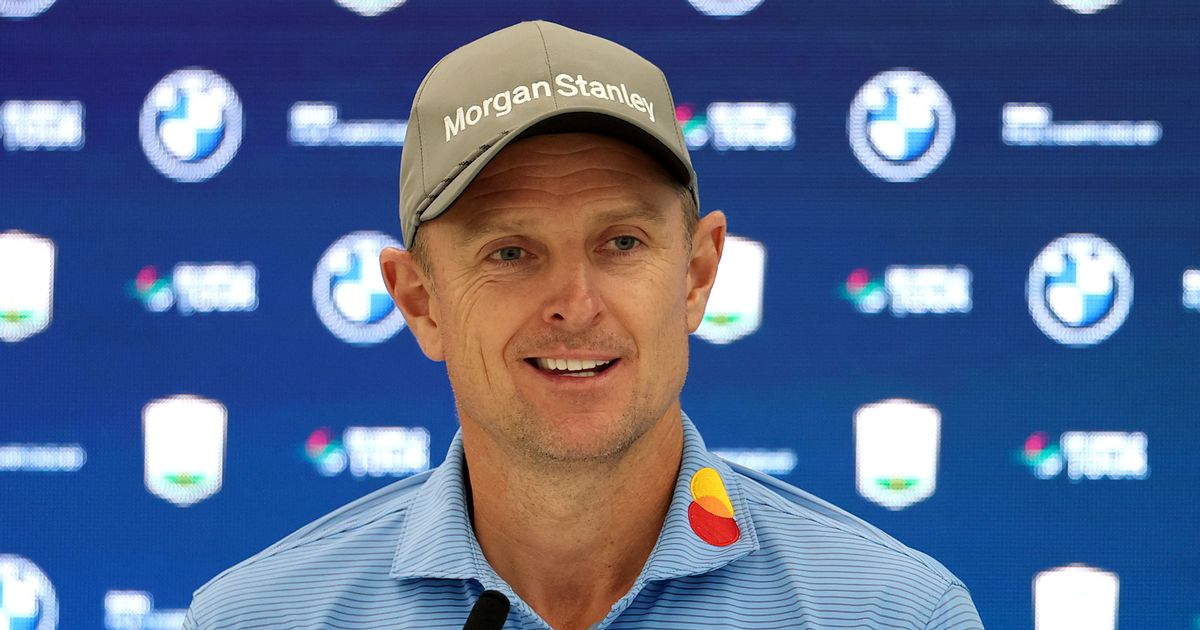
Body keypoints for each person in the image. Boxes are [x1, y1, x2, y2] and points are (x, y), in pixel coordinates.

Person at [183, 20, 983, 630]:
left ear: (698, 274)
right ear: (421, 301)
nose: (575, 302)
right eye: (510, 252)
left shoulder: (894, 614)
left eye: (622, 243)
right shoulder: (255, 620)